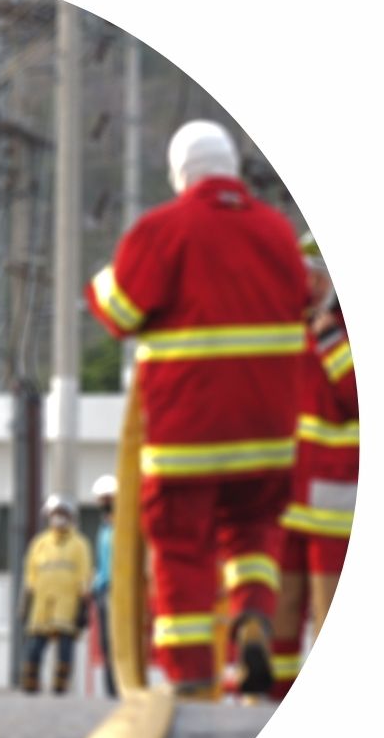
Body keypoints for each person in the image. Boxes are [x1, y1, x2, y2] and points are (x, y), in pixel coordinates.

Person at [85, 119, 309, 699]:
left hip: (187, 435)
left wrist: (103, 280)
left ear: (180, 175)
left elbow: (119, 313)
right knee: (253, 536)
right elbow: (305, 304)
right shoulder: (279, 233)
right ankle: (253, 620)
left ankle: (191, 680)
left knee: (182, 549)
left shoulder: (163, 230)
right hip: (267, 437)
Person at [270, 234, 358, 700]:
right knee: (281, 610)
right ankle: (270, 704)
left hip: (333, 499)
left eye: (318, 278)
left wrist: (332, 343)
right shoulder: (290, 328)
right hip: (286, 498)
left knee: (328, 616)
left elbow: (358, 399)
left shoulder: (344, 332)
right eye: (304, 277)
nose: (309, 287)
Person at [20, 495, 93, 695]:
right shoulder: (40, 543)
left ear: (70, 517)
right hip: (42, 604)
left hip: (67, 604)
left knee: (65, 648)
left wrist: (83, 604)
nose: (58, 518)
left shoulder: (79, 544)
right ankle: (30, 683)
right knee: (35, 646)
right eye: (54, 514)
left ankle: (60, 686)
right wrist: (26, 601)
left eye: (62, 514)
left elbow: (84, 573)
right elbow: (30, 574)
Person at [90, 474, 118, 698]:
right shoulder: (104, 530)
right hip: (103, 591)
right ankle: (110, 691)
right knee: (106, 644)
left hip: (118, 592)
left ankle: (120, 689)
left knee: (118, 643)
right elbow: (101, 563)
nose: (104, 505)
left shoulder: (124, 529)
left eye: (107, 500)